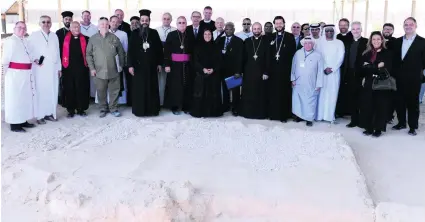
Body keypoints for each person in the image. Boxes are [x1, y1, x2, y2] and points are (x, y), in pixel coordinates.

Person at [86, 17, 125, 118]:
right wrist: (92, 68)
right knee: (101, 91)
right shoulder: (93, 39)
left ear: (109, 25)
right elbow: (88, 55)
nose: (104, 26)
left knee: (114, 91)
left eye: (106, 24)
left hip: (114, 70)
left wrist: (121, 65)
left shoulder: (114, 38)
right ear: (98, 26)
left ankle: (113, 108)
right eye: (102, 24)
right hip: (99, 71)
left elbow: (121, 53)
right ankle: (103, 108)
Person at [392, 17, 425, 136]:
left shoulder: (422, 42)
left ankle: (412, 126)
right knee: (399, 101)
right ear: (403, 26)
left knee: (413, 103)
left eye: (411, 24)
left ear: (416, 26)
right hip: (399, 77)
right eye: (406, 24)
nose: (408, 26)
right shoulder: (398, 41)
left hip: (414, 78)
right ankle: (401, 123)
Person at [128, 9, 163, 117]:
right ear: (140, 21)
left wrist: (159, 63)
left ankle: (152, 110)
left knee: (151, 88)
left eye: (146, 20)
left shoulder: (154, 33)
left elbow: (159, 50)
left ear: (149, 21)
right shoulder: (134, 33)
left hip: (152, 67)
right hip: (138, 67)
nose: (144, 22)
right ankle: (140, 110)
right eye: (142, 20)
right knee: (140, 89)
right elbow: (131, 50)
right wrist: (130, 65)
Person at [3, 21, 36, 132]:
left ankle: (23, 120)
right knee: (15, 99)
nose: (22, 30)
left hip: (25, 74)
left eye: (24, 28)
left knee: (24, 98)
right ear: (14, 28)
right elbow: (5, 60)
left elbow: (29, 55)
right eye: (19, 27)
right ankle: (15, 124)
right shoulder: (10, 41)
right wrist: (7, 76)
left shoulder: (25, 41)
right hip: (15, 75)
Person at [359, 31, 393, 137]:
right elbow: (363, 69)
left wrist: (370, 66)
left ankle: (378, 129)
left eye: (378, 39)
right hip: (369, 82)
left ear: (382, 40)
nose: (376, 41)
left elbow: (387, 69)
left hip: (381, 83)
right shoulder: (366, 53)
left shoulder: (387, 53)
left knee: (380, 106)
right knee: (368, 105)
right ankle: (369, 128)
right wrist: (376, 66)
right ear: (371, 41)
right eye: (374, 39)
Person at [28, 15, 61, 124]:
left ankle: (50, 113)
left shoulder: (54, 36)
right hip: (40, 69)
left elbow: (58, 53)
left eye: (48, 22)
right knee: (41, 91)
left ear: (51, 23)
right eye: (43, 22)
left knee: (52, 90)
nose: (46, 24)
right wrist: (34, 59)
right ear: (39, 24)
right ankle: (40, 116)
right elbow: (29, 51)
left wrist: (59, 68)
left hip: (52, 68)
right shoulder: (34, 36)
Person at [338, 21, 368, 128]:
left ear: (361, 30)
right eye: (354, 29)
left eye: (358, 29)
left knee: (362, 99)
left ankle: (362, 121)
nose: (356, 31)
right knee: (352, 98)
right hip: (349, 74)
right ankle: (354, 120)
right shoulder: (348, 42)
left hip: (361, 74)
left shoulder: (366, 42)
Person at [164, 16, 195, 115]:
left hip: (187, 65)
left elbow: (193, 52)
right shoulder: (171, 34)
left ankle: (186, 106)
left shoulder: (190, 35)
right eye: (180, 22)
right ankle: (175, 106)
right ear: (176, 24)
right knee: (175, 87)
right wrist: (167, 65)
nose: (182, 24)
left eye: (184, 22)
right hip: (174, 66)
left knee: (187, 85)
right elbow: (167, 51)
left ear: (186, 24)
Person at [268, 16, 297, 122]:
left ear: (284, 24)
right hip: (273, 70)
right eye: (276, 23)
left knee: (284, 93)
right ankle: (273, 114)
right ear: (274, 25)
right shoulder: (270, 36)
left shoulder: (289, 36)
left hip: (285, 70)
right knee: (273, 93)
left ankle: (284, 116)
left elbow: (293, 55)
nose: (278, 25)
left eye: (280, 23)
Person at [95, 15, 129, 106]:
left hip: (116, 64)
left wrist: (122, 64)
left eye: (116, 22)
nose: (114, 23)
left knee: (115, 85)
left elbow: (125, 50)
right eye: (112, 21)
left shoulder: (123, 34)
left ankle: (115, 104)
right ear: (109, 23)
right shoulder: (101, 33)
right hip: (103, 65)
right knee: (103, 86)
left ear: (119, 23)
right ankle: (104, 105)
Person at [239, 22, 270, 119]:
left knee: (260, 93)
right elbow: (243, 57)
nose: (256, 31)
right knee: (249, 93)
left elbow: (268, 57)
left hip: (261, 72)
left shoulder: (266, 41)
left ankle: (260, 114)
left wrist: (266, 71)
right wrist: (241, 71)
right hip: (248, 71)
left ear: (261, 30)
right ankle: (248, 113)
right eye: (255, 29)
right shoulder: (247, 41)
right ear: (252, 30)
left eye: (258, 28)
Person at [315, 24, 345, 123]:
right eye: (327, 31)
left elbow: (341, 57)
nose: (329, 33)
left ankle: (329, 116)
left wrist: (332, 69)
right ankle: (319, 115)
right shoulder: (319, 43)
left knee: (332, 93)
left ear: (334, 32)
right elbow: (318, 56)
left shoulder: (339, 43)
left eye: (331, 31)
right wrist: (324, 68)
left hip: (334, 72)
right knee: (321, 94)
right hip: (322, 72)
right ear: (324, 32)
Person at [291, 37, 323, 126]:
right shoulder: (298, 53)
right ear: (303, 44)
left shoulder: (318, 55)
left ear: (313, 44)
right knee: (298, 100)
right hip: (298, 81)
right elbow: (293, 66)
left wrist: (319, 84)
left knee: (310, 101)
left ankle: (309, 118)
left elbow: (320, 71)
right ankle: (299, 116)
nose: (307, 45)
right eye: (306, 43)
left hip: (311, 82)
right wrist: (292, 78)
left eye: (310, 43)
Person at [190, 29, 223, 117]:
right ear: (202, 35)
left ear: (212, 35)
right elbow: (195, 61)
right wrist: (203, 69)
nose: (207, 36)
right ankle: (200, 112)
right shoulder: (197, 47)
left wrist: (213, 69)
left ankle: (213, 113)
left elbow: (219, 61)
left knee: (213, 93)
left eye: (209, 34)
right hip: (201, 74)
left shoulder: (216, 47)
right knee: (201, 93)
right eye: (205, 34)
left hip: (214, 74)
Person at [61, 21, 90, 117]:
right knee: (70, 89)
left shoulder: (86, 39)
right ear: (70, 28)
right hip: (68, 69)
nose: (76, 29)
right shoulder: (64, 39)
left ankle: (81, 109)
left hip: (82, 69)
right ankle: (71, 110)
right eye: (74, 27)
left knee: (81, 89)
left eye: (78, 27)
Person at [217, 22, 244, 116]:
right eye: (226, 29)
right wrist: (221, 33)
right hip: (223, 69)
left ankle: (235, 108)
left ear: (234, 30)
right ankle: (226, 106)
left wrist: (238, 71)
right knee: (224, 89)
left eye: (230, 29)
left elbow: (240, 57)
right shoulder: (221, 40)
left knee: (235, 90)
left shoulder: (239, 41)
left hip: (234, 70)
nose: (228, 31)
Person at [156, 12, 177, 106]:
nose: (166, 20)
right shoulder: (156, 30)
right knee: (160, 82)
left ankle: (169, 102)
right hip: (160, 58)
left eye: (168, 19)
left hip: (172, 60)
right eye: (164, 18)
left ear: (171, 20)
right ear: (162, 19)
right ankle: (160, 103)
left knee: (171, 82)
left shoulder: (175, 30)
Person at [336, 18, 354, 117]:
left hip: (349, 66)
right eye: (341, 25)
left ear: (348, 26)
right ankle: (340, 111)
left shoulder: (352, 37)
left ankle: (348, 111)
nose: (343, 27)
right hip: (339, 67)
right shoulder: (337, 37)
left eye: (345, 25)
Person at [56, 11, 73, 106]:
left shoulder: (75, 30)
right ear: (63, 20)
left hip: (74, 62)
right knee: (63, 82)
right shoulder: (59, 32)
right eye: (66, 19)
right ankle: (63, 100)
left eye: (69, 19)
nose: (68, 21)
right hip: (63, 61)